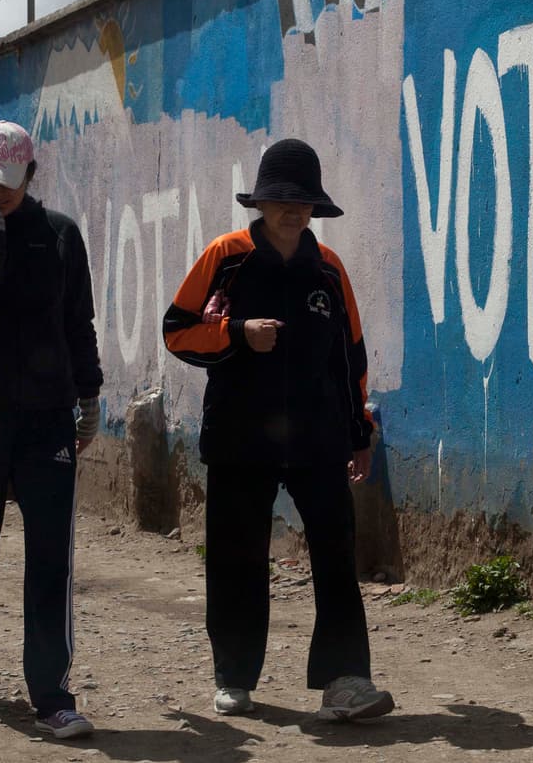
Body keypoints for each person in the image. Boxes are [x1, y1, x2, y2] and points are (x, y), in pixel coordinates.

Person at [164, 137, 394, 721]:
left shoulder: (328, 268)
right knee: (238, 555)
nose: (293, 211)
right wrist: (239, 333)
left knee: (336, 554)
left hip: (317, 437)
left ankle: (345, 682)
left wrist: (358, 432)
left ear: (315, 207)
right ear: (261, 203)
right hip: (241, 437)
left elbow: (352, 358)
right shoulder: (226, 256)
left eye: (303, 202)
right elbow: (177, 330)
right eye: (281, 201)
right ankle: (235, 676)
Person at [0, 120, 102, 740]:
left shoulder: (60, 235)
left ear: (31, 175)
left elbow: (77, 319)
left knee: (51, 556)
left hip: (45, 418)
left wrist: (89, 394)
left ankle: (52, 694)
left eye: (8, 188)